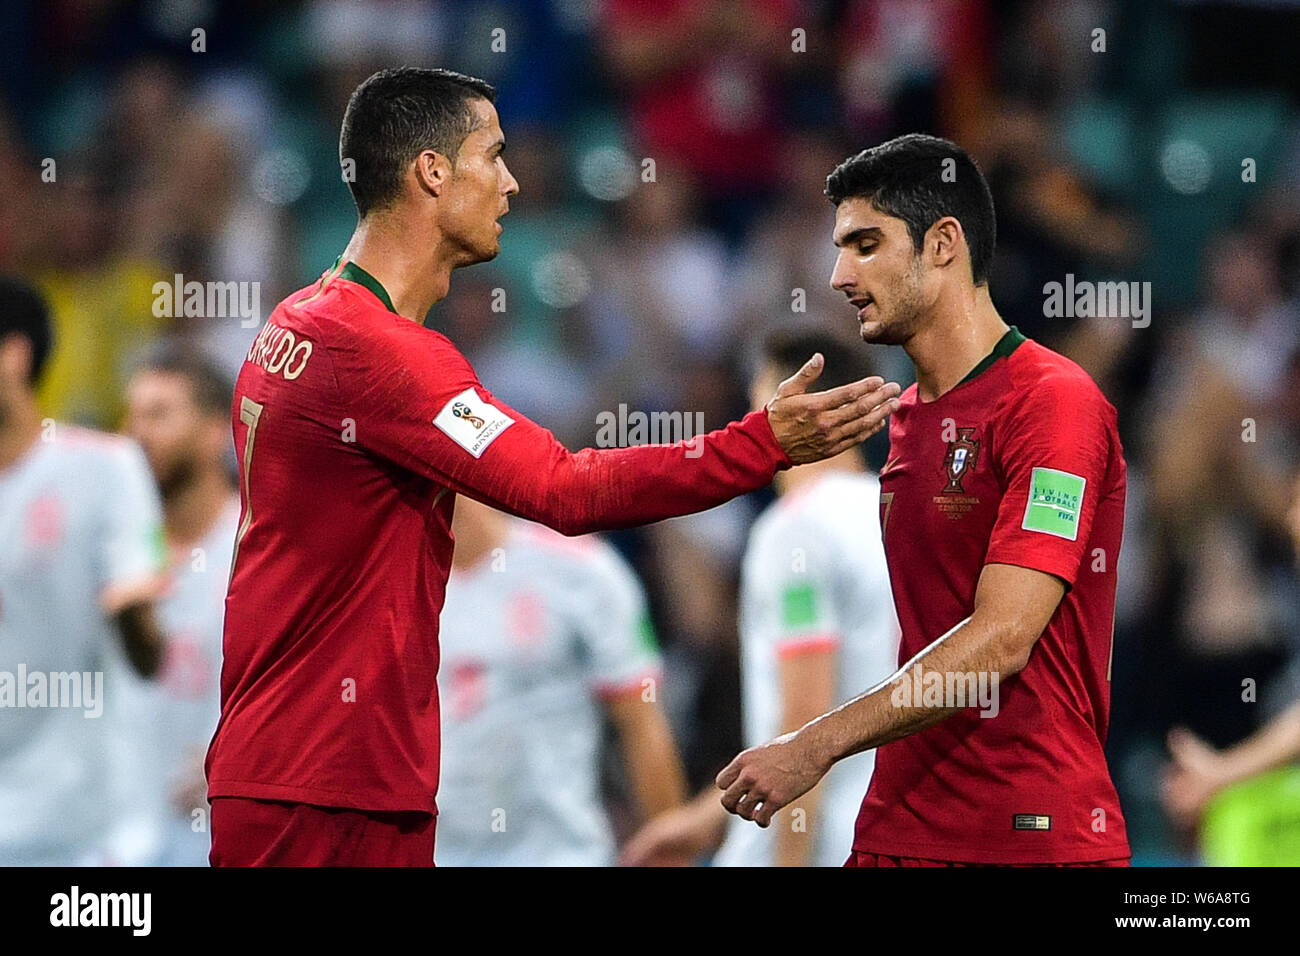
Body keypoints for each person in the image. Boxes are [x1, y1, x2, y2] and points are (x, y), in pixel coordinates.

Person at [205, 67, 901, 867]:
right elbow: (564, 489)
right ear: (432, 172)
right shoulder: (380, 356)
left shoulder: (294, 326)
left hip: (297, 771)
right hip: (327, 789)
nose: (511, 182)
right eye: (492, 156)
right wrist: (761, 442)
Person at [716, 134, 1132, 867]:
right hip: (898, 828)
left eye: (866, 244)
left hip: (1029, 835)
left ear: (944, 244)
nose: (840, 273)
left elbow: (1004, 637)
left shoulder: (1055, 403)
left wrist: (811, 745)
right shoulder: (903, 420)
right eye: (840, 247)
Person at [621, 331, 900, 867]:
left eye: (757, 413)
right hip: (886, 833)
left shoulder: (795, 531)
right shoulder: (902, 517)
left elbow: (803, 721)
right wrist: (704, 821)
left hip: (814, 844)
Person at [0, 275, 167, 865]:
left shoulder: (105, 470)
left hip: (90, 837)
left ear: (15, 353)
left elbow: (148, 653)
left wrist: (133, 613)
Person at [436, 496, 686, 865]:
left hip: (560, 855)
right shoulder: (373, 590)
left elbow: (642, 725)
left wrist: (672, 858)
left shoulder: (581, 570)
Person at [122, 346, 240, 866]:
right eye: (133, 416)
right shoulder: (114, 554)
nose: (138, 434)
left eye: (160, 414)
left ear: (216, 430)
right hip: (116, 852)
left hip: (225, 845)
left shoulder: (259, 551)